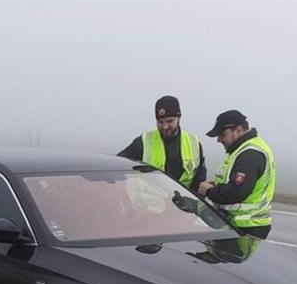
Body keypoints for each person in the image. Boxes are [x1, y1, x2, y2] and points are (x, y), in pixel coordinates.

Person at [198, 110, 276, 239]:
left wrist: (209, 191)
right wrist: (218, 185)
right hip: (245, 225)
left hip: (246, 226)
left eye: (222, 134)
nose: (218, 140)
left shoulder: (249, 155)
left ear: (238, 130)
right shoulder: (244, 150)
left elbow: (237, 192)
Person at [117, 96, 206, 190]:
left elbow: (199, 183)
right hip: (148, 203)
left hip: (183, 203)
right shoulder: (143, 141)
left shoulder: (194, 143)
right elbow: (117, 165)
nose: (165, 126)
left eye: (170, 121)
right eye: (160, 122)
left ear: (179, 118)